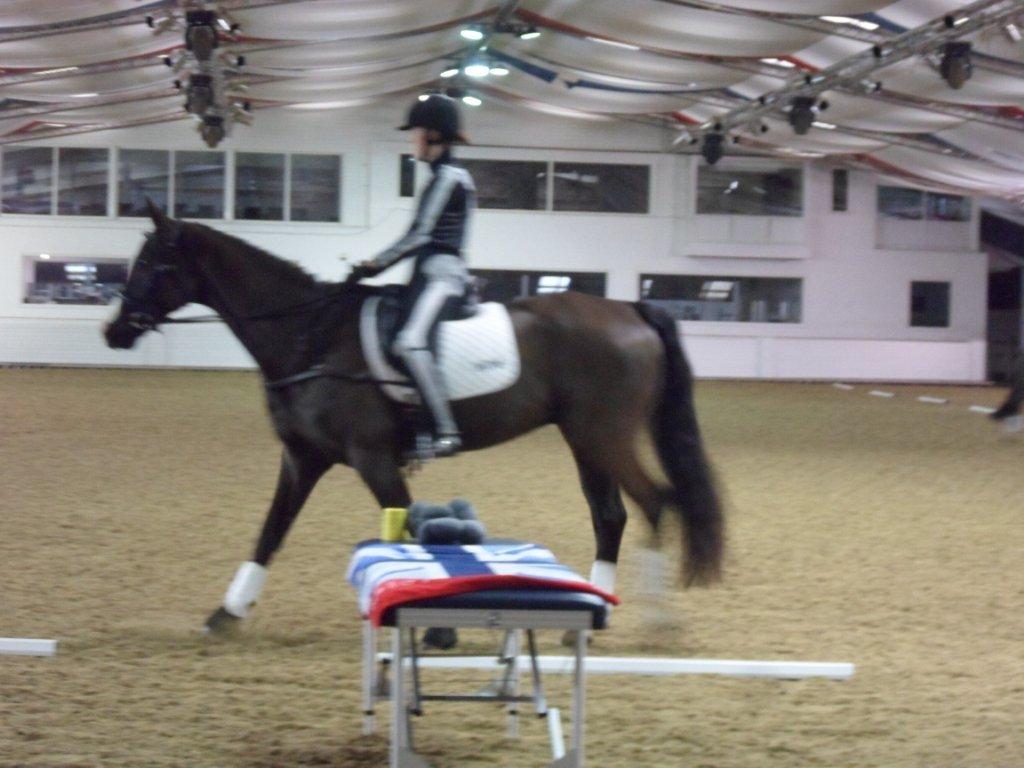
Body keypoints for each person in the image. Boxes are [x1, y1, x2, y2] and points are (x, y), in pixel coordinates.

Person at [349, 94, 476, 457]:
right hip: (426, 275)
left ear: (433, 135)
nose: (412, 140)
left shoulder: (450, 177)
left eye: (415, 132)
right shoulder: (438, 177)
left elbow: (420, 235)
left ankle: (445, 431)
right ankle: (412, 427)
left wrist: (375, 265)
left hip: (444, 277)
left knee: (410, 342)